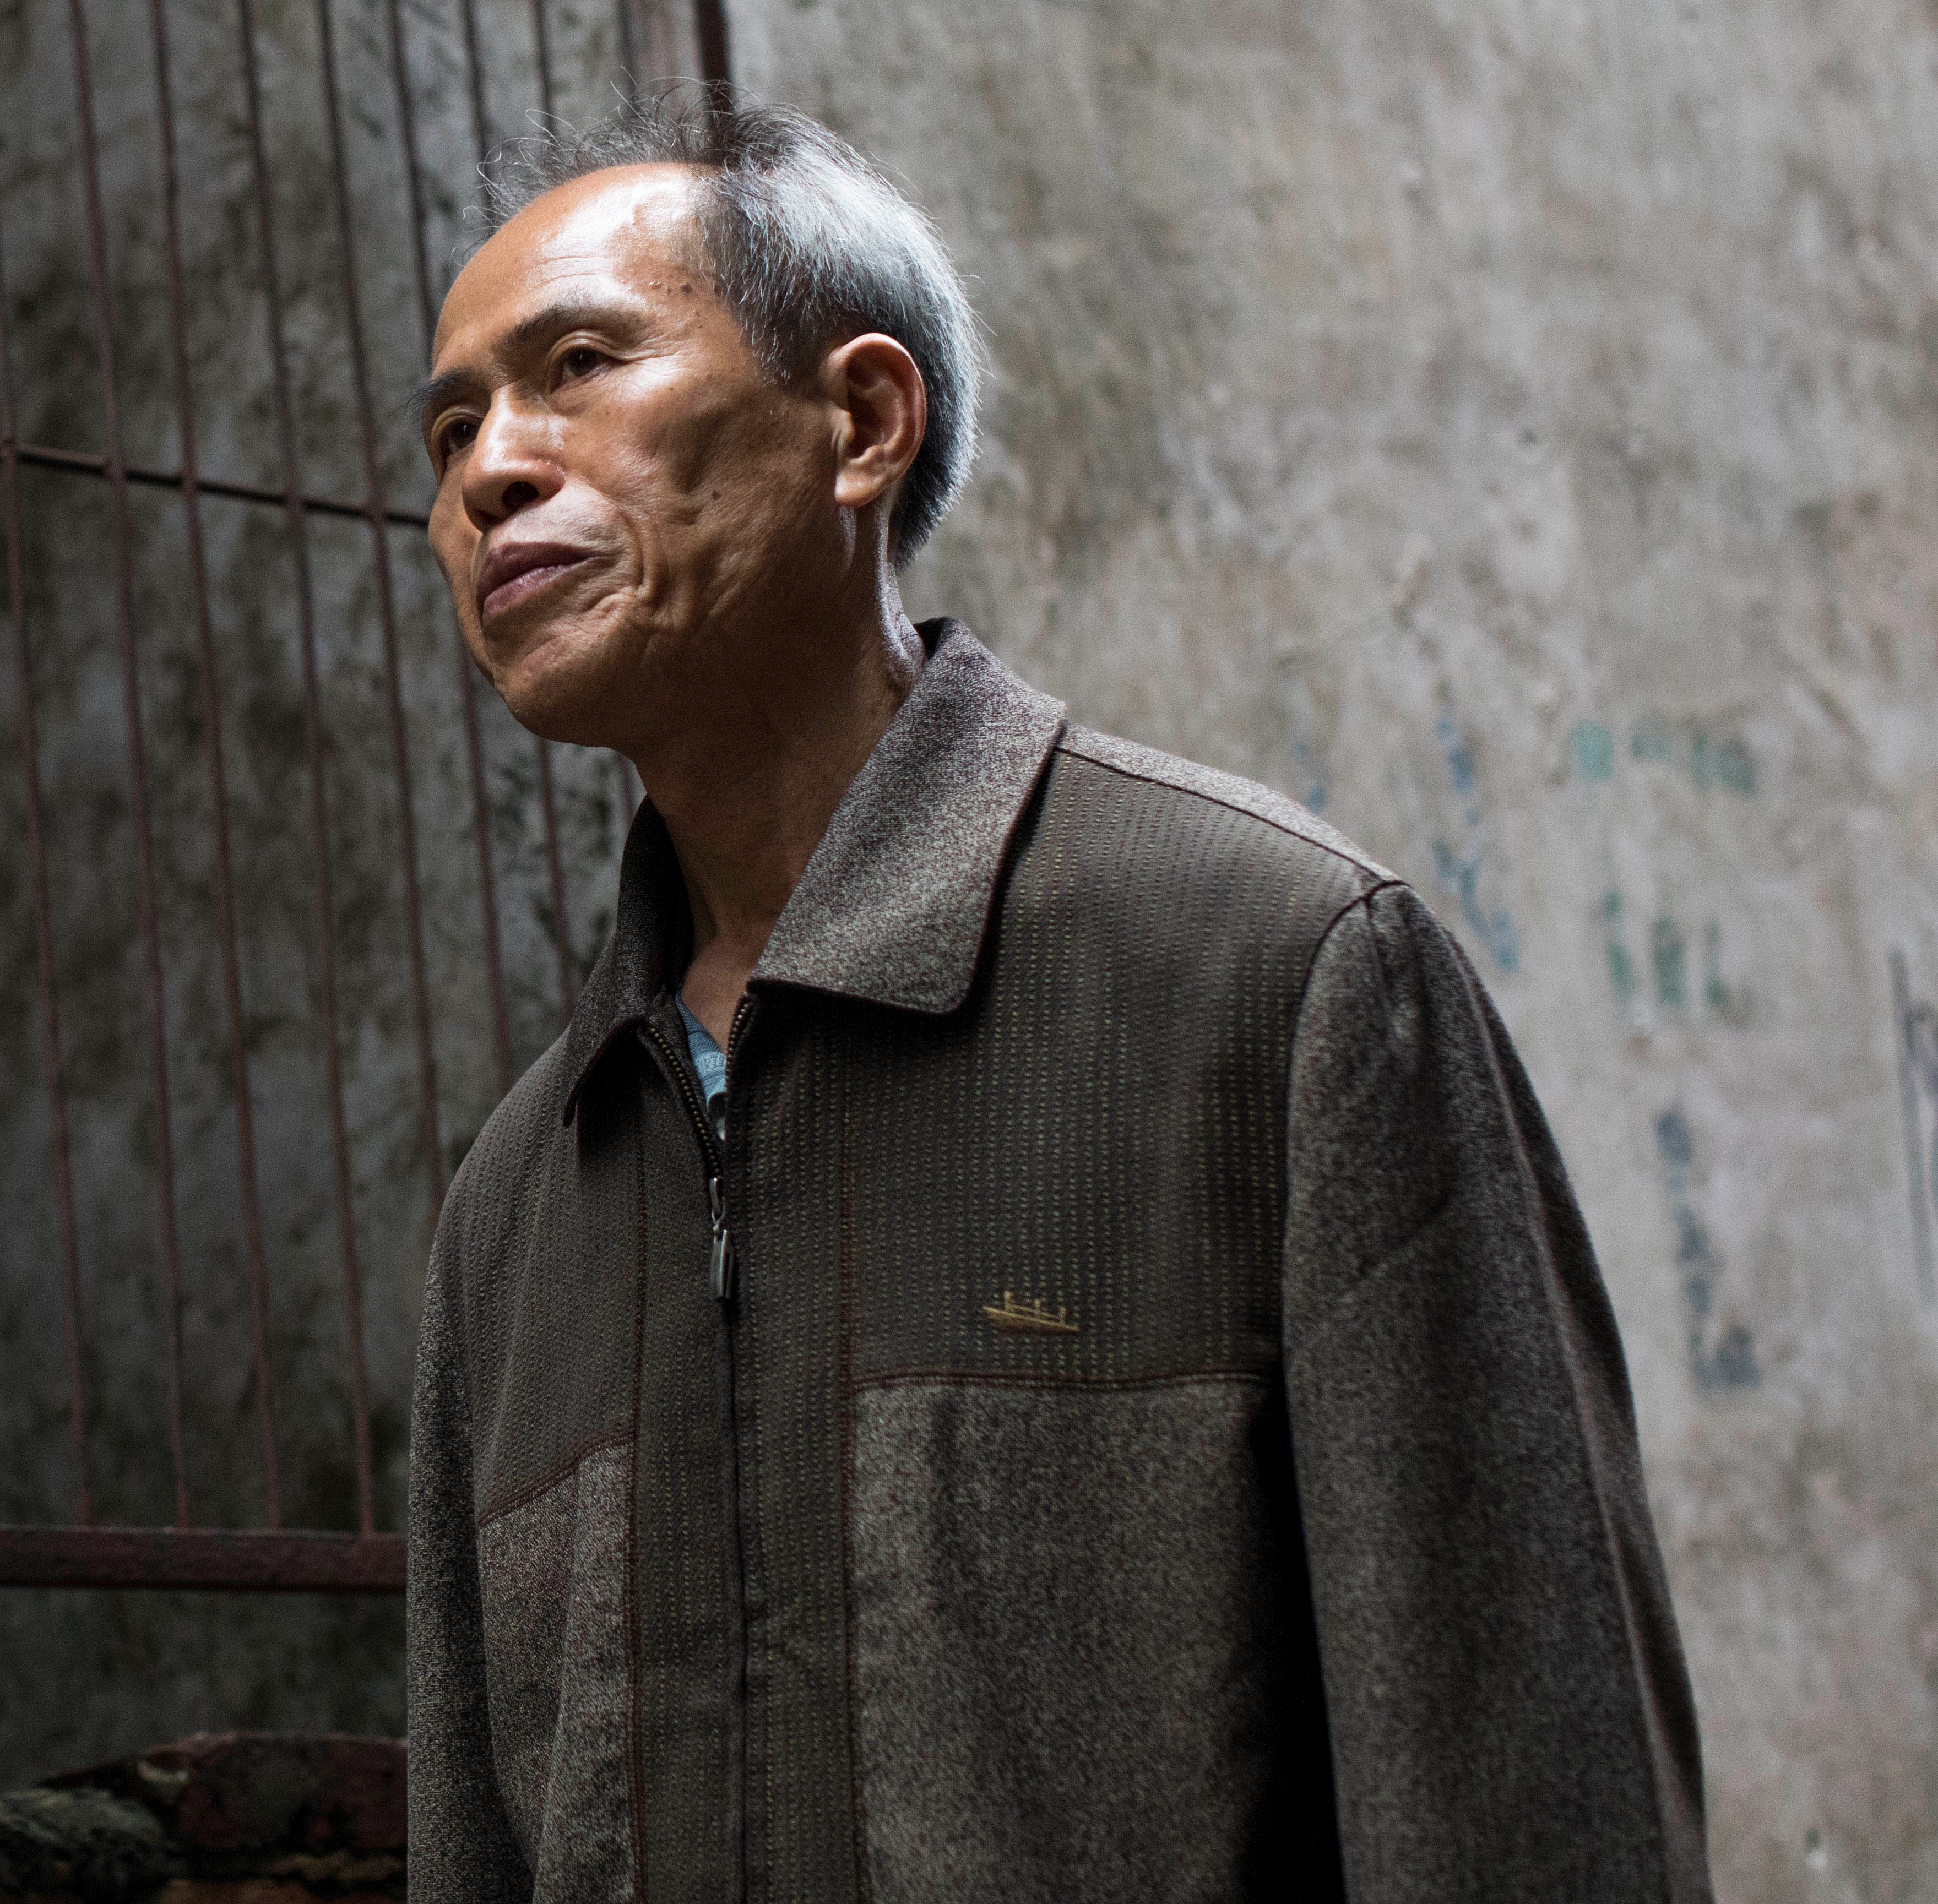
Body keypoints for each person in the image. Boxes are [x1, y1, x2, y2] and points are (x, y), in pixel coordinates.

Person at [403, 91, 1707, 1901]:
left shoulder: (1277, 979)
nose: (488, 472)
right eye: (455, 423)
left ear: (861, 422)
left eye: (578, 366)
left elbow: (1527, 1800)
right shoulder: (517, 1201)